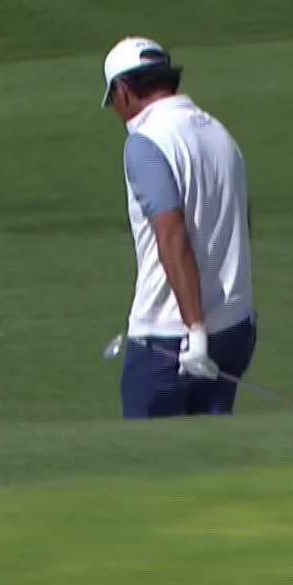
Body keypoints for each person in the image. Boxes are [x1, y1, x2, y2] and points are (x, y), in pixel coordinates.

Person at [100, 36, 257, 418]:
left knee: (146, 464)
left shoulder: (146, 142)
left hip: (173, 337)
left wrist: (196, 332)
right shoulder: (219, 133)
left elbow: (171, 235)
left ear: (123, 91)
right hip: (235, 328)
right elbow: (240, 222)